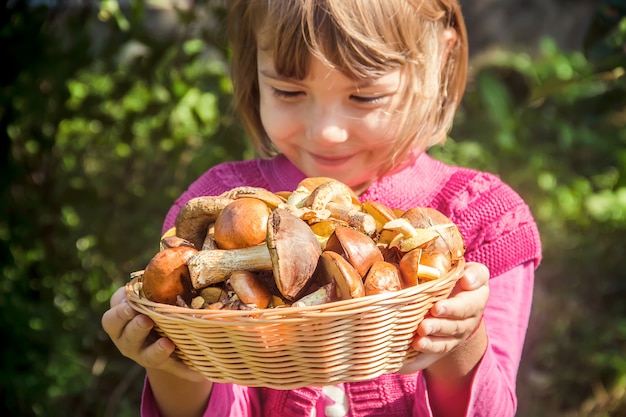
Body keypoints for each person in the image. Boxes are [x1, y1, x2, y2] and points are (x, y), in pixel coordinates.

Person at [102, 0, 542, 416]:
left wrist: (460, 337)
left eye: (365, 97)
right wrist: (168, 363)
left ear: (439, 63)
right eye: (289, 91)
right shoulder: (217, 213)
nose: (326, 131)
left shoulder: (484, 219)